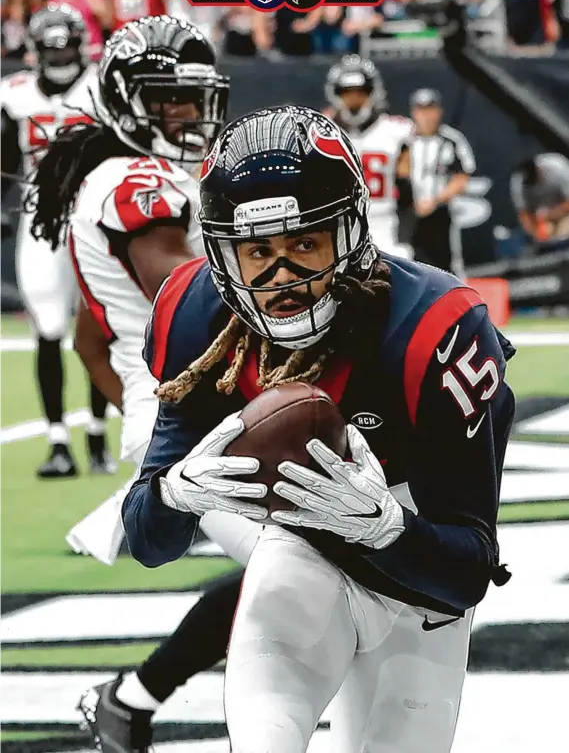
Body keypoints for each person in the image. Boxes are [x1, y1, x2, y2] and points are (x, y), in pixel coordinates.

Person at [120, 105, 515, 753]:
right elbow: (149, 540)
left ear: (351, 231)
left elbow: (465, 568)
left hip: (418, 570)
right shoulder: (196, 318)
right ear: (223, 256)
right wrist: (175, 493)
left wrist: (386, 525)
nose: (283, 277)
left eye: (304, 242)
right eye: (257, 252)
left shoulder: (431, 328)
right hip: (305, 539)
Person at [29, 16, 260, 753]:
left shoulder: (134, 173)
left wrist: (141, 393)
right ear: (129, 99)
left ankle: (131, 698)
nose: (189, 115)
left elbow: (88, 339)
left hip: (194, 409)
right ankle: (137, 700)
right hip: (200, 420)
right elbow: (195, 297)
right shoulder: (133, 182)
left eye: (195, 98)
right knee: (309, 577)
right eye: (170, 100)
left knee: (306, 577)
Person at [1, 2, 115, 478]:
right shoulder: (15, 94)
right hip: (39, 220)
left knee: (99, 325)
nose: (60, 55)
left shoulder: (102, 90)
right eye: (52, 47)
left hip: (92, 217)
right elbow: (5, 155)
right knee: (48, 326)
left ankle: (96, 433)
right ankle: (58, 442)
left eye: (65, 45)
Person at [324, 54, 413, 258]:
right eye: (347, 93)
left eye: (360, 93)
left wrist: (406, 237)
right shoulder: (321, 130)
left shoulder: (396, 131)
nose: (354, 101)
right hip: (336, 224)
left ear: (374, 93)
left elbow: (409, 194)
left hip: (383, 225)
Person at [405, 87, 476, 277]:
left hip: (440, 215)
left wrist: (436, 200)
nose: (427, 116)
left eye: (431, 109)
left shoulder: (451, 140)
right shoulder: (404, 139)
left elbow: (462, 178)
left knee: (448, 265)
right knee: (409, 264)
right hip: (408, 215)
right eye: (422, 110)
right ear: (414, 113)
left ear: (439, 111)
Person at [510, 153, 569, 250]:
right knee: (545, 236)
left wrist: (551, 214)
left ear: (538, 169)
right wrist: (536, 233)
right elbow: (524, 214)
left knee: (563, 233)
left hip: (564, 214)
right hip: (543, 219)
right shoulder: (518, 181)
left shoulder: (557, 166)